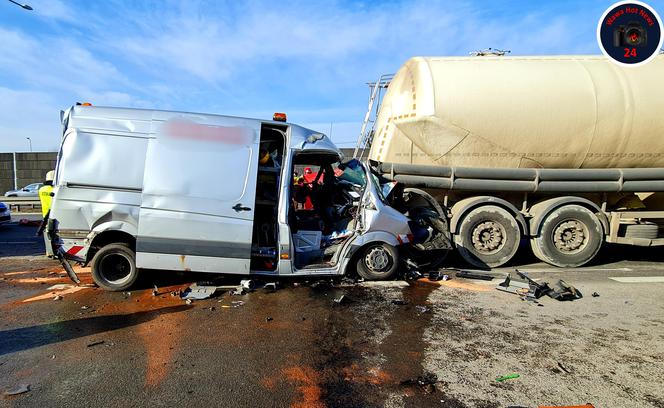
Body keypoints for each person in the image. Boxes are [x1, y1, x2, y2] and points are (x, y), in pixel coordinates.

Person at [37, 170, 54, 257]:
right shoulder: (55, 189)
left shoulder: (41, 190)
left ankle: (49, 252)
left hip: (45, 215)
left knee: (47, 234)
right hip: (56, 214)